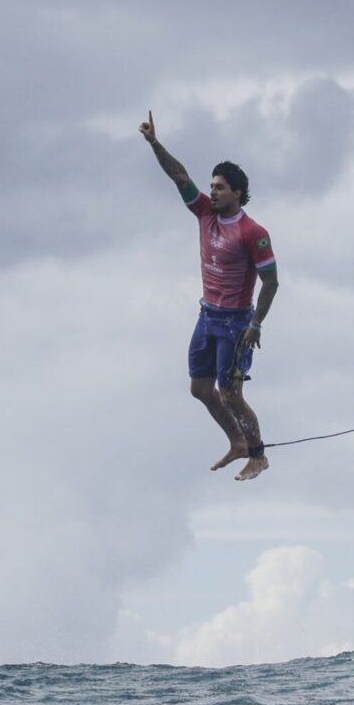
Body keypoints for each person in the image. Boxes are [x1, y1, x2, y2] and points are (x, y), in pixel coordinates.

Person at [139, 111, 278, 481]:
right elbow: (179, 176)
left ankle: (258, 455)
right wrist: (154, 143)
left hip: (235, 323)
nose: (212, 191)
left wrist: (256, 324)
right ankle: (237, 441)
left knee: (230, 393)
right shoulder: (205, 213)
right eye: (211, 186)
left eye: (219, 187)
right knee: (200, 388)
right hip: (207, 316)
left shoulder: (253, 232)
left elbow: (272, 282)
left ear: (236, 192)